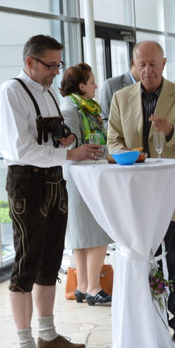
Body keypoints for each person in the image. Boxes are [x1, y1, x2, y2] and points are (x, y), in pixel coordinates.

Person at [0, 34, 99, 348]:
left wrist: (66, 139)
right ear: (30, 62)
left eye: (58, 64)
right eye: (51, 65)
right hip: (26, 183)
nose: (56, 72)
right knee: (26, 265)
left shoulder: (49, 92)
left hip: (54, 179)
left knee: (50, 261)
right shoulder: (11, 92)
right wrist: (70, 153)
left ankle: (48, 335)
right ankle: (25, 347)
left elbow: (49, 137)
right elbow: (20, 149)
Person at [108, 41, 175, 347]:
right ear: (134, 66)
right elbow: (113, 140)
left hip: (174, 195)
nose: (147, 70)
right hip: (136, 197)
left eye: (153, 64)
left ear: (164, 63)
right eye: (142, 65)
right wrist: (127, 154)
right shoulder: (121, 97)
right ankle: (148, 320)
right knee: (142, 261)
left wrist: (172, 130)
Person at [59, 63, 113, 305]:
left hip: (87, 172)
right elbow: (74, 146)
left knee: (83, 232)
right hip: (79, 174)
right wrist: (105, 150)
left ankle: (82, 286)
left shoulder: (86, 107)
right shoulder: (70, 108)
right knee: (97, 230)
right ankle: (93, 287)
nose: (96, 86)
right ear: (81, 86)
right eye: (91, 82)